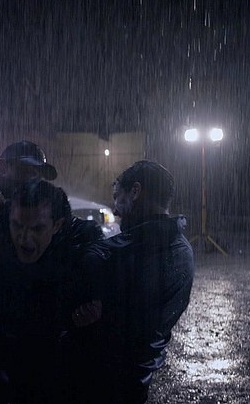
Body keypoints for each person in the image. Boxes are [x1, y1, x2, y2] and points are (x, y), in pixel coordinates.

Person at [0, 179, 103, 404]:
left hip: (47, 375)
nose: (24, 238)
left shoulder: (77, 252)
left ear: (57, 226)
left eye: (37, 229)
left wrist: (88, 319)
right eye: (17, 225)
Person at [79, 160, 195, 403]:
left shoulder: (131, 253)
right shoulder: (182, 249)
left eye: (117, 197)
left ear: (135, 191)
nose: (116, 209)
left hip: (108, 381)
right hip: (137, 377)